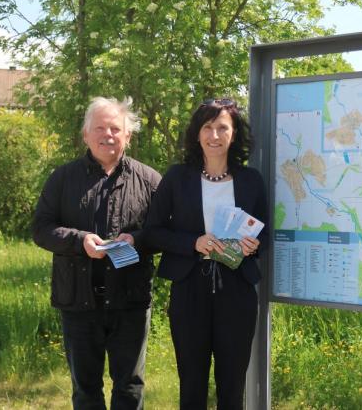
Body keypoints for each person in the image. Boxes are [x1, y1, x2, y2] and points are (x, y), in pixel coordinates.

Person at [32, 96, 162, 410]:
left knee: (130, 388)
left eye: (116, 128)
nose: (108, 135)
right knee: (85, 390)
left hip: (130, 302)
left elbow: (164, 233)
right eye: (100, 128)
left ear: (128, 136)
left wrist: (138, 239)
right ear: (86, 135)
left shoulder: (150, 181)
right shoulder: (63, 179)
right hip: (78, 302)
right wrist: (80, 241)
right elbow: (41, 229)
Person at [143, 98, 266, 410]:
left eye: (222, 127)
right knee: (192, 384)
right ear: (197, 134)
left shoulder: (251, 180)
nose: (214, 135)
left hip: (237, 290)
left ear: (234, 133)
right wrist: (193, 243)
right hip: (190, 289)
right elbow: (152, 232)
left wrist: (255, 245)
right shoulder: (177, 178)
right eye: (207, 127)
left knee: (232, 385)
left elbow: (265, 234)